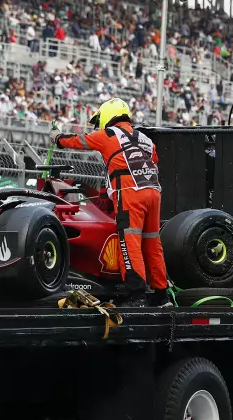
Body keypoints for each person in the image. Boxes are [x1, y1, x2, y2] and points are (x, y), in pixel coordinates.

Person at [51, 98, 170, 307]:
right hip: (153, 192)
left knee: (129, 241)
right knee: (152, 242)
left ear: (108, 115)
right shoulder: (146, 139)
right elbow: (154, 161)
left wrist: (57, 138)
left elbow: (79, 141)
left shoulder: (108, 135)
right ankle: (161, 295)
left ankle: (136, 295)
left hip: (129, 192)